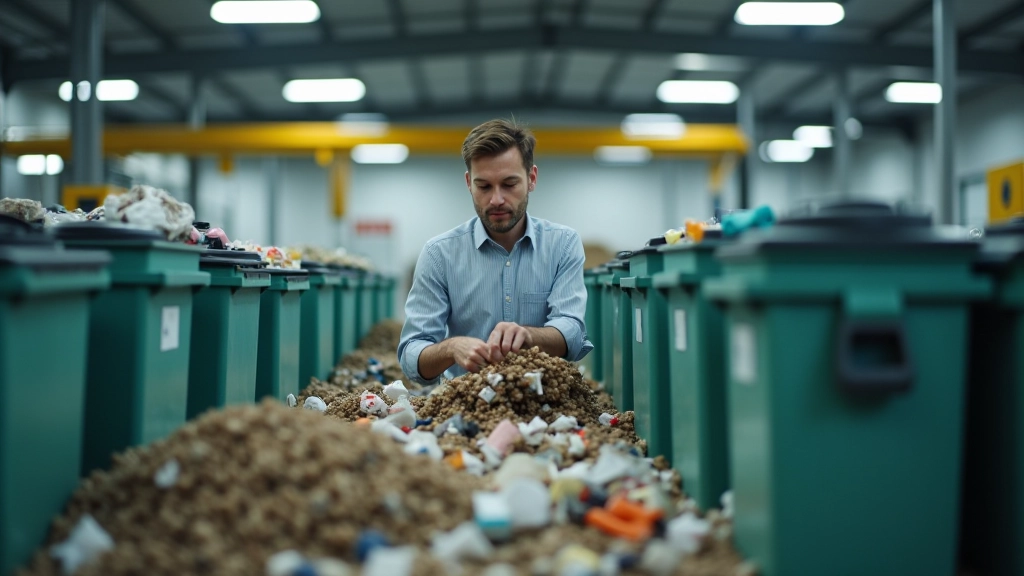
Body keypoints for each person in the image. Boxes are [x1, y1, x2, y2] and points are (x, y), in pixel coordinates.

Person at [398, 118, 593, 385]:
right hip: (466, 401)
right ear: (469, 182)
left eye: (509, 184)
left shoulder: (563, 244)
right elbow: (411, 356)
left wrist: (528, 336)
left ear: (531, 179)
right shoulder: (439, 254)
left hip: (547, 400)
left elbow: (572, 333)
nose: (497, 199)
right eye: (484, 186)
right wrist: (452, 347)